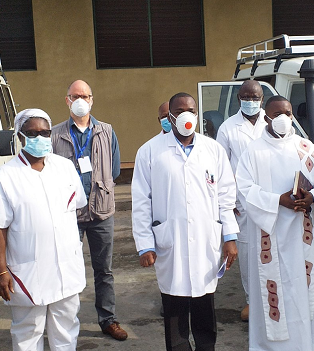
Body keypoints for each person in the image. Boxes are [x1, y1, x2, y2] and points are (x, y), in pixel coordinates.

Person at [131, 92, 239, 351]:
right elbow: (141, 201)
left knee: (204, 306)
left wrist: (230, 237)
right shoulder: (149, 152)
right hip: (171, 242)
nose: (185, 116)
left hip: (206, 240)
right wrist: (145, 244)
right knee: (175, 309)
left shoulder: (213, 149)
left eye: (190, 110)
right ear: (169, 117)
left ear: (197, 114)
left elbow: (226, 196)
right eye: (179, 111)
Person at [235, 95, 314, 350]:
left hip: (301, 233)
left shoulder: (305, 147)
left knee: (302, 290)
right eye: (277, 113)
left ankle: (307, 343)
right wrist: (276, 201)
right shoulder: (254, 151)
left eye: (288, 113)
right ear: (265, 117)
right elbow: (244, 189)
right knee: (274, 291)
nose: (283, 118)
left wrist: (312, 197)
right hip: (270, 233)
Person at [0, 109, 87, 351]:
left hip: (66, 267)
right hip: (29, 271)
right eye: (32, 133)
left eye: (44, 132)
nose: (39, 138)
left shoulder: (65, 167)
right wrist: (0, 272)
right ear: (20, 136)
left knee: (67, 329)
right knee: (28, 333)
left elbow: (76, 207)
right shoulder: (5, 177)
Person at [50, 79, 127, 341]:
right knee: (65, 268)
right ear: (67, 100)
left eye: (85, 95)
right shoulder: (55, 134)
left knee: (103, 270)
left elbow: (115, 169)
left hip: (101, 212)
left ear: (92, 100)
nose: (80, 100)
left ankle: (108, 319)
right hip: (68, 214)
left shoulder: (106, 131)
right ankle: (62, 323)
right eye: (75, 95)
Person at [215, 79, 267, 322]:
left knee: (271, 250)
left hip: (271, 199)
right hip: (241, 203)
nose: (251, 102)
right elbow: (220, 168)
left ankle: (272, 297)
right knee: (246, 253)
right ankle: (251, 301)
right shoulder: (228, 128)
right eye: (246, 97)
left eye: (255, 98)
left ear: (262, 99)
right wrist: (227, 202)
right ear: (238, 99)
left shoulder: (274, 122)